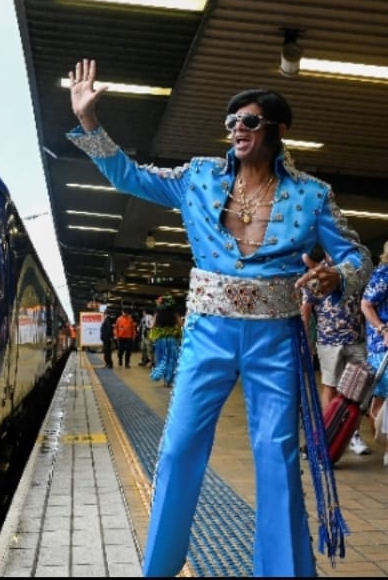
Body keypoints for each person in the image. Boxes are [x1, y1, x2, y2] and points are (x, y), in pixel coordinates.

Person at [66, 57, 372, 577]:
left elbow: (358, 257)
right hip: (208, 333)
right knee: (179, 447)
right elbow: (129, 177)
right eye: (232, 122)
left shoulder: (313, 195)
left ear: (277, 129)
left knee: (276, 458)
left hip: (276, 339)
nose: (237, 129)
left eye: (249, 121)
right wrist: (90, 121)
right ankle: (159, 568)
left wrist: (334, 277)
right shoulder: (198, 177)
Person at [300, 245, 371, 457]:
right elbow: (306, 308)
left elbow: (368, 302)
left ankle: (352, 434)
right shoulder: (319, 273)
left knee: (357, 388)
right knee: (330, 385)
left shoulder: (356, 270)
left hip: (356, 338)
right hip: (329, 339)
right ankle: (327, 432)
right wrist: (306, 339)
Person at [360, 239, 388, 466]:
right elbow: (366, 304)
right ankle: (386, 446)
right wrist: (383, 329)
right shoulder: (383, 275)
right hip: (382, 346)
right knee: (380, 397)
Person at [149, 296, 182, 387]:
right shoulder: (174, 313)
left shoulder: (158, 313)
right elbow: (181, 324)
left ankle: (163, 378)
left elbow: (152, 326)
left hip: (161, 339)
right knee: (172, 359)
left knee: (162, 358)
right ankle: (169, 380)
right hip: (172, 338)